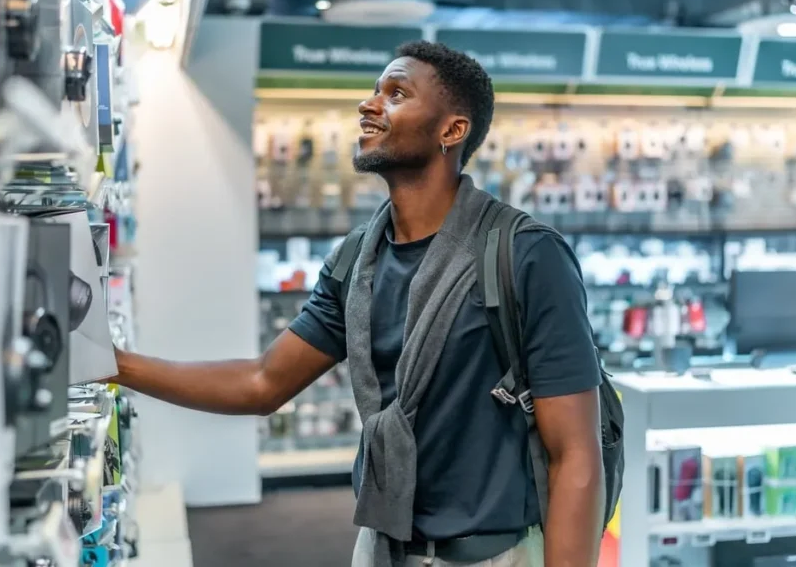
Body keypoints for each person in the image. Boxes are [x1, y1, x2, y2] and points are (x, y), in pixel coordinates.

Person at [111, 41, 604, 567]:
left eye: (396, 93)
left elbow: (575, 454)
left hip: (493, 555)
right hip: (383, 548)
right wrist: (113, 364)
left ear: (452, 131)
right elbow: (262, 382)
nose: (369, 105)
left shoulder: (526, 255)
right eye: (374, 92)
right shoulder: (356, 262)